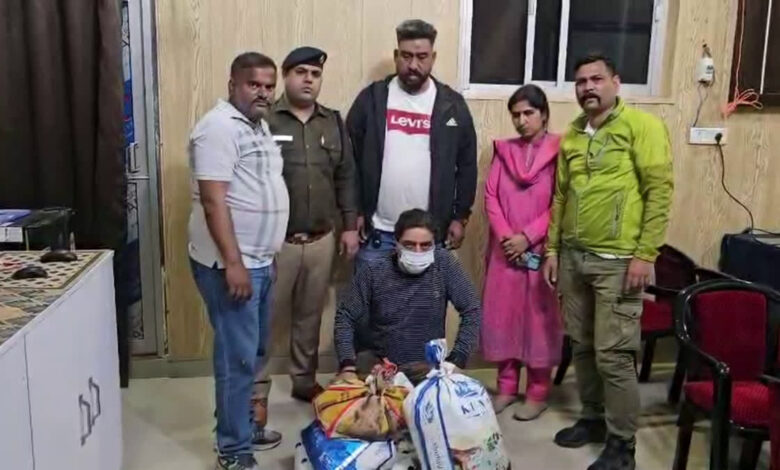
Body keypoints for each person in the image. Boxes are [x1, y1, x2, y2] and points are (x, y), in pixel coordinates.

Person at [543, 54, 674, 470]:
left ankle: (622, 444)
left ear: (616, 82)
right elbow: (560, 197)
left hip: (619, 262)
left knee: (614, 355)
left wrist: (645, 254)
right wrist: (552, 250)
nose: (588, 87)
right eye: (581, 81)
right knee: (581, 345)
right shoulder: (573, 135)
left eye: (596, 79)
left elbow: (659, 192)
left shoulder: (642, 127)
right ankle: (593, 418)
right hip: (573, 258)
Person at [187, 52, 288, 470]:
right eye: (253, 84)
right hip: (230, 264)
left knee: (253, 351)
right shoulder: (217, 128)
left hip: (258, 260)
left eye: (269, 85)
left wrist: (266, 253)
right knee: (237, 359)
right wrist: (234, 263)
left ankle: (242, 427)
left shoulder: (257, 125)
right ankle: (232, 450)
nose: (263, 92)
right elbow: (214, 202)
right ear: (233, 85)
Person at [261, 47, 359, 403]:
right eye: (301, 72)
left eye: (315, 74)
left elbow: (346, 176)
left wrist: (350, 226)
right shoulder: (265, 120)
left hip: (321, 239)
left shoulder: (332, 122)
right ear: (285, 75)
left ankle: (304, 381)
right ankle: (255, 390)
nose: (308, 80)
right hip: (275, 242)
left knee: (310, 316)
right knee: (264, 317)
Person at [346, 19, 477, 268]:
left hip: (428, 237)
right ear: (396, 55)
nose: (413, 65)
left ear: (433, 57)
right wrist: (356, 212)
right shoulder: (372, 99)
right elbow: (349, 160)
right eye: (406, 56)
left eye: (422, 57)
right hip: (377, 233)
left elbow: (467, 166)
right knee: (371, 294)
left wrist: (460, 216)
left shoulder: (452, 105)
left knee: (427, 296)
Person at [482, 85, 562, 421]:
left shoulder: (560, 151)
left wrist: (527, 238)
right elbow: (491, 196)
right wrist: (507, 238)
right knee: (503, 316)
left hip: (541, 251)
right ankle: (506, 387)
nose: (521, 120)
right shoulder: (504, 152)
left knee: (539, 321)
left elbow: (560, 201)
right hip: (505, 252)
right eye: (516, 114)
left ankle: (538, 392)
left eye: (528, 113)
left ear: (544, 114)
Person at [333, 209, 481, 384]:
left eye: (425, 245)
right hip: (381, 366)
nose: (418, 251)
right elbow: (345, 316)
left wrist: (458, 358)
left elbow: (472, 309)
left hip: (428, 368)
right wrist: (347, 366)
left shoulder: (444, 264)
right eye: (409, 245)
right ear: (396, 244)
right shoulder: (374, 271)